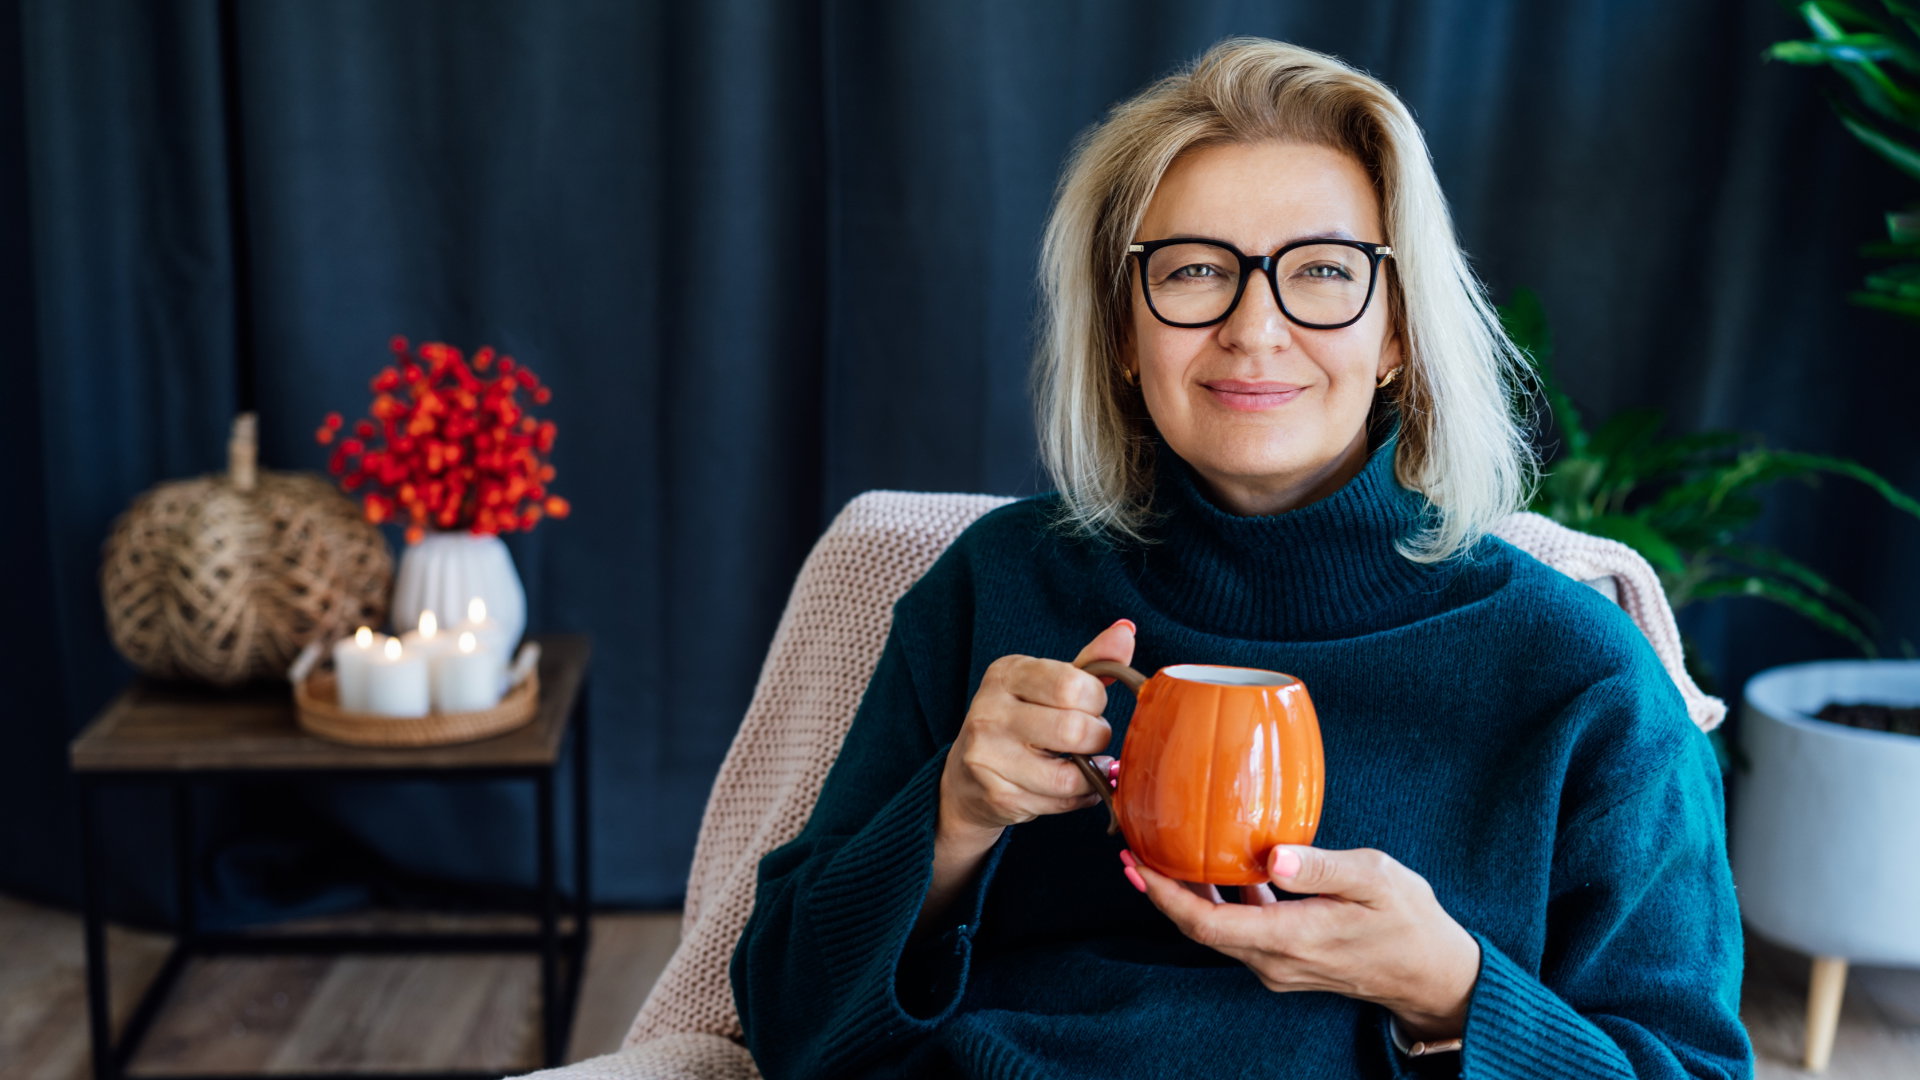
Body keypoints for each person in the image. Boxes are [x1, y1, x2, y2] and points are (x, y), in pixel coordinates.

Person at [731, 36, 1753, 1079]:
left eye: (1321, 271)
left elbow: (1695, 1067)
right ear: (1124, 334)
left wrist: (1448, 989)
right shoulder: (997, 590)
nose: (1254, 328)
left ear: (1398, 329)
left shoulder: (1581, 679)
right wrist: (953, 815)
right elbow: (787, 1023)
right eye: (1194, 272)